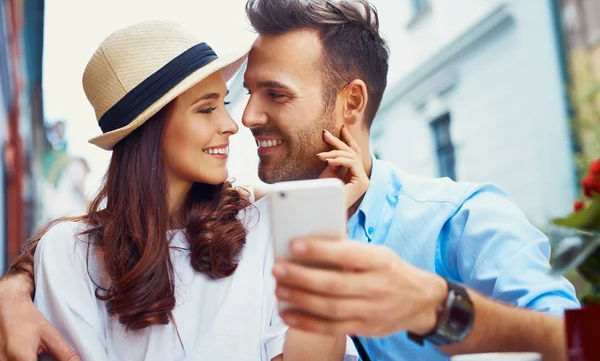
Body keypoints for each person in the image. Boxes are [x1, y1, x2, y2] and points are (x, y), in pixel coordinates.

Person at [0, 0, 580, 360]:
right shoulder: (267, 225)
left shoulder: (461, 219)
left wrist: (436, 307)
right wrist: (15, 282)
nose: (245, 118)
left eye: (273, 94)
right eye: (240, 95)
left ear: (350, 104)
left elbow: (581, 341)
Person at [1, 20, 364, 360]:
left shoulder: (268, 227)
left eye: (223, 103)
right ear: (150, 131)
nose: (230, 125)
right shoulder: (69, 251)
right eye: (206, 109)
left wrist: (321, 215)